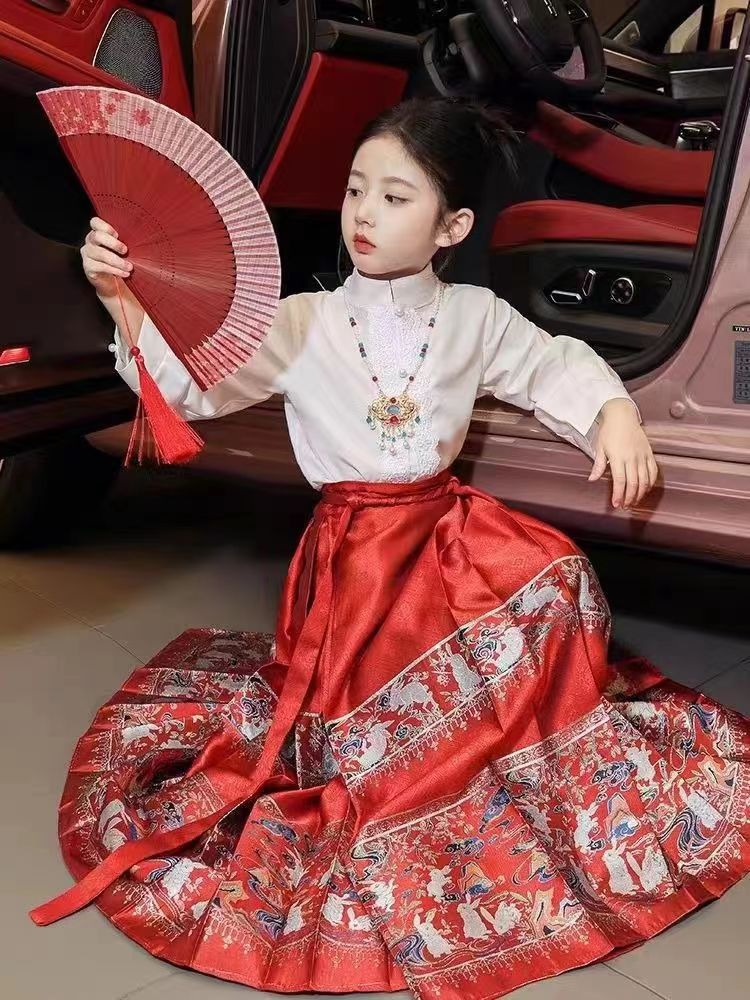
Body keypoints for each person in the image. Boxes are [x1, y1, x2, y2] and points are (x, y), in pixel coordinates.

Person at [33, 99, 750, 999]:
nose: (364, 214)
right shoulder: (301, 321)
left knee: (560, 580)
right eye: (354, 190)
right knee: (362, 750)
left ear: (452, 227)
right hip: (356, 564)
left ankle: (504, 748)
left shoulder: (475, 315)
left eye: (395, 197)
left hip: (448, 534)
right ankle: (431, 755)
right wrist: (123, 299)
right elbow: (187, 391)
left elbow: (551, 362)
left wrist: (612, 411)